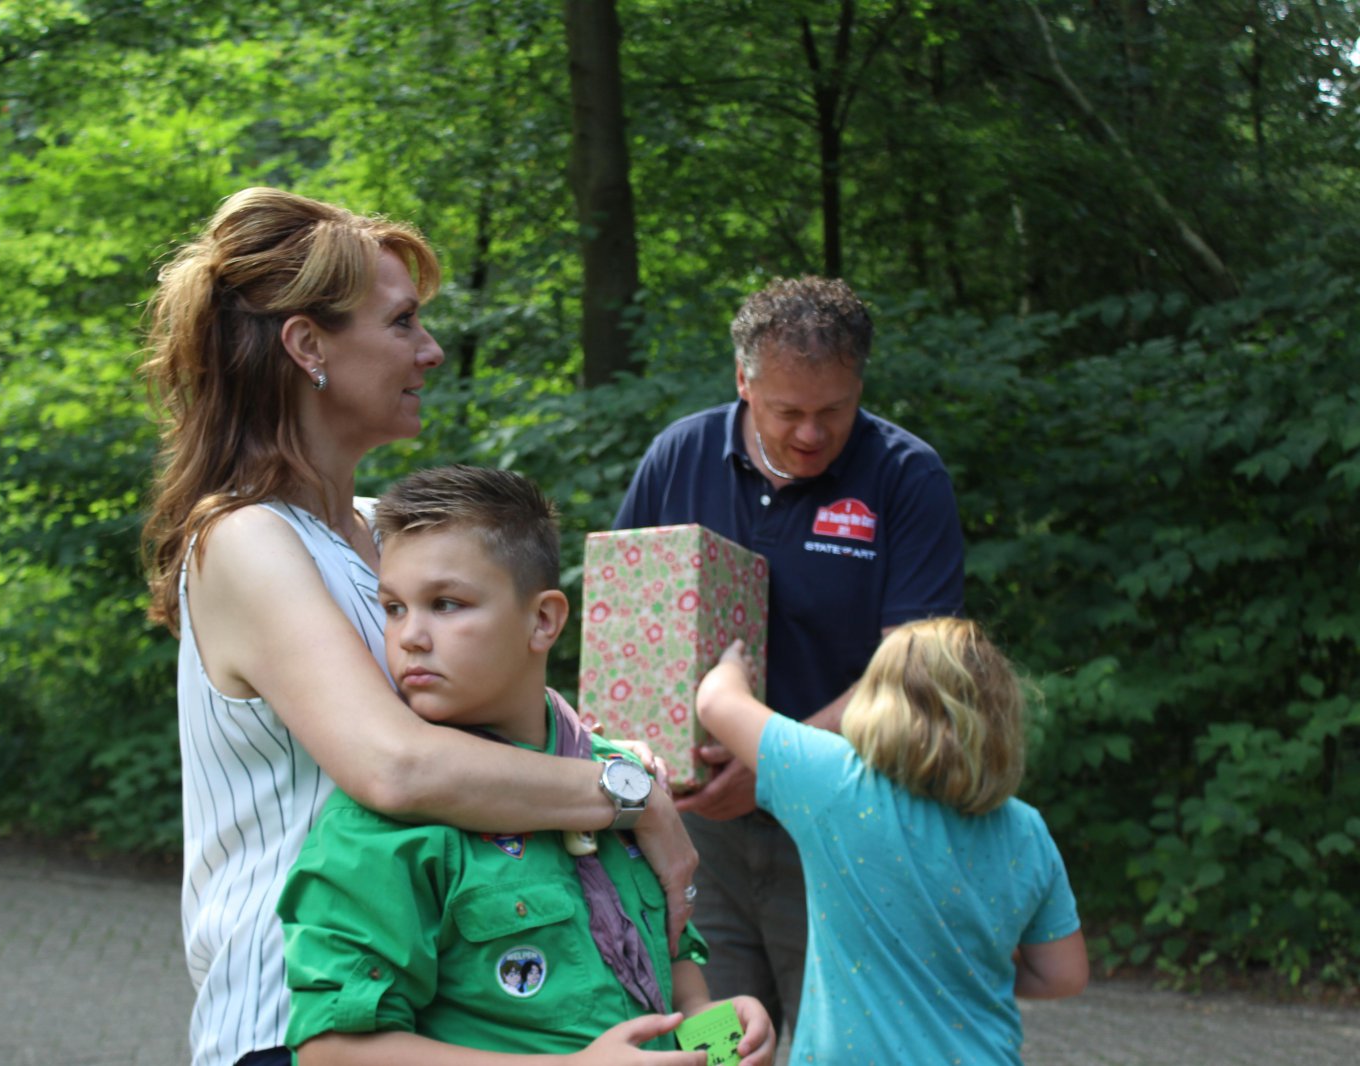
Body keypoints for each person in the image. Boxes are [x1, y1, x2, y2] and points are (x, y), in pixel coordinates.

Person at [141, 189, 697, 1066]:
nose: (431, 350)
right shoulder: (245, 540)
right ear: (308, 346)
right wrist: (628, 797)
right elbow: (395, 766)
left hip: (443, 1021)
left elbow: (509, 724)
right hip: (295, 1024)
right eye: (402, 323)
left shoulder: (382, 531)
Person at [278, 465, 775, 1065]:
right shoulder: (381, 823)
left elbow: (675, 967)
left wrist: (717, 1030)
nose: (410, 636)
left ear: (543, 620)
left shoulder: (622, 780)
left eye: (446, 604)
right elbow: (333, 1050)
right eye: (394, 607)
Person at [612, 276, 965, 1032]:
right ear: (743, 382)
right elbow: (626, 619)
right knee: (715, 1034)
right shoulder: (679, 456)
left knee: (838, 1036)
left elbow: (913, 670)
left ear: (859, 386)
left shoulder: (906, 476)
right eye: (787, 412)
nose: (810, 434)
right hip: (697, 828)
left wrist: (776, 760)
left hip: (844, 816)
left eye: (833, 411)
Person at [696, 620, 1088, 1063]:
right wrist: (964, 970)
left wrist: (734, 663)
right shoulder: (1025, 828)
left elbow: (715, 702)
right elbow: (1064, 975)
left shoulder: (833, 782)